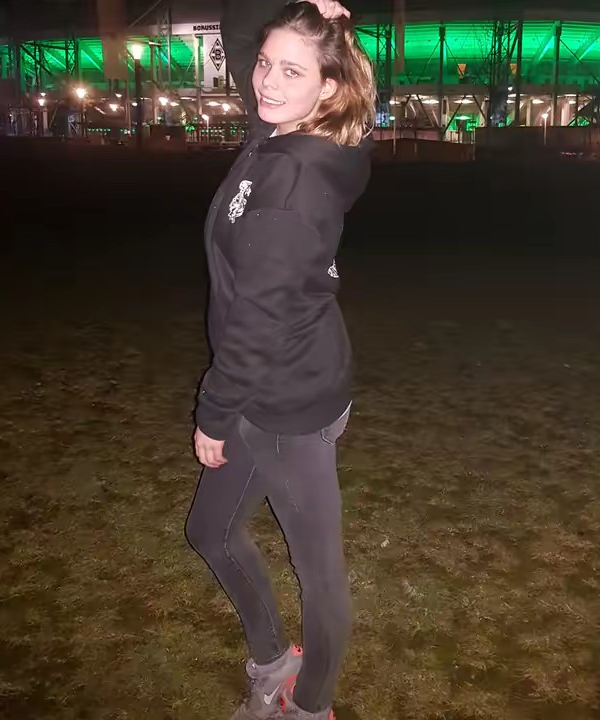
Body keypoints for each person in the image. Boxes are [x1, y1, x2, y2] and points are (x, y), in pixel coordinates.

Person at [184, 1, 376, 718]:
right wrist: (299, 11)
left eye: (291, 71)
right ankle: (272, 662)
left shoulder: (293, 183)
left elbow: (256, 323)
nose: (265, 81)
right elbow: (244, 37)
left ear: (328, 88)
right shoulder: (284, 130)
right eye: (267, 65)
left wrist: (213, 414)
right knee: (210, 532)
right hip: (267, 385)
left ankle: (308, 705)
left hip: (289, 403)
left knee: (319, 572)